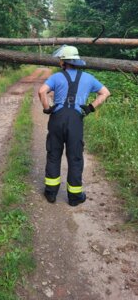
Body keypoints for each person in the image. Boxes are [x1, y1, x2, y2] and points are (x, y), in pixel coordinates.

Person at [38, 45, 110, 206]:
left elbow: (42, 91)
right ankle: (74, 197)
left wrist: (47, 108)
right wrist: (91, 107)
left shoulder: (56, 77)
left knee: (54, 154)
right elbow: (105, 93)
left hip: (57, 118)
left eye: (61, 60)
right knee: (75, 157)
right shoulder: (89, 78)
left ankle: (51, 193)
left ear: (64, 62)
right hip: (76, 120)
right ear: (76, 61)